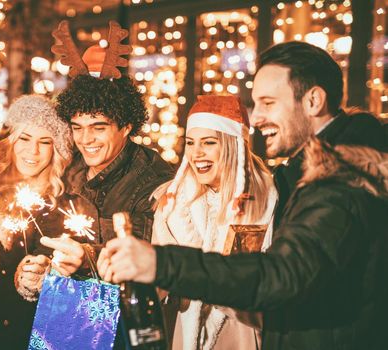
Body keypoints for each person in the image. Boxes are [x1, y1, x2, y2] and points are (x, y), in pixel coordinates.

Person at [98, 41, 388, 349]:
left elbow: (282, 276)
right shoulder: (299, 177)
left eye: (268, 103)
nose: (257, 118)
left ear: (313, 100)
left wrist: (161, 263)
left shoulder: (341, 182)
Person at [40, 20, 174, 277]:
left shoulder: (154, 181)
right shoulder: (67, 169)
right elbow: (44, 233)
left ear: (126, 126)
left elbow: (145, 258)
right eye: (77, 127)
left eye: (98, 127)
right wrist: (36, 265)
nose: (85, 139)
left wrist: (87, 257)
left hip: (122, 312)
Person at [149, 95, 277, 350]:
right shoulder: (171, 203)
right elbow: (156, 279)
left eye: (208, 143)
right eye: (190, 143)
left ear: (233, 146)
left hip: (243, 334)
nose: (196, 153)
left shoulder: (268, 201)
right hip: (184, 331)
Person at [0, 94, 76, 350]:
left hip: (24, 335)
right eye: (24, 138)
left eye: (45, 142)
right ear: (11, 141)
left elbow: (55, 263)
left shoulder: (57, 206)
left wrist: (39, 274)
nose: (33, 151)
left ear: (55, 149)